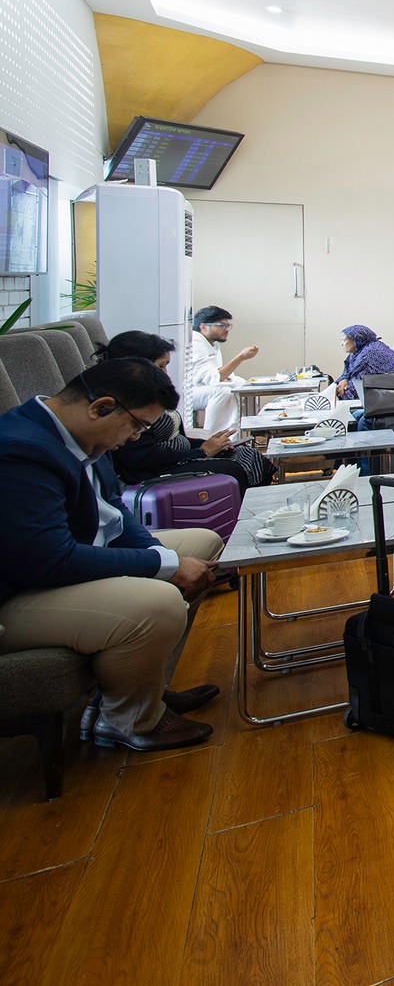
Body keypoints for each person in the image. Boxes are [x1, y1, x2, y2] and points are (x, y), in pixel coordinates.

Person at [0, 357, 223, 752]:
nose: (135, 437)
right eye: (137, 425)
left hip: (62, 562)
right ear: (101, 407)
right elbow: (48, 560)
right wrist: (164, 567)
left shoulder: (78, 433)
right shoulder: (21, 450)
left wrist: (160, 555)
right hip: (16, 595)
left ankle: (142, 688)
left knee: (201, 545)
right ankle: (129, 720)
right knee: (159, 601)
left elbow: (112, 510)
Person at [101, 331, 274, 490]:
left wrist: (210, 445)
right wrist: (202, 452)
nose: (165, 373)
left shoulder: (151, 395)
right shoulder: (130, 404)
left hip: (179, 458)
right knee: (232, 470)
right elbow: (141, 456)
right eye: (161, 366)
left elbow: (178, 437)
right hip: (155, 470)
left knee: (248, 455)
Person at [186, 304, 258, 437]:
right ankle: (215, 439)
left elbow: (217, 374)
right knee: (224, 392)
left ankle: (245, 434)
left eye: (228, 326)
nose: (226, 330)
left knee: (242, 384)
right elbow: (214, 377)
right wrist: (240, 357)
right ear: (203, 326)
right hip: (187, 393)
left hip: (201, 388)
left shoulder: (211, 343)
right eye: (221, 325)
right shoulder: (196, 343)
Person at [336, 324, 394, 400]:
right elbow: (347, 372)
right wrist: (343, 380)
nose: (341, 344)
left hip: (390, 395)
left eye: (344, 340)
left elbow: (358, 386)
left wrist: (340, 390)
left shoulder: (370, 352)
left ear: (355, 339)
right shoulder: (357, 352)